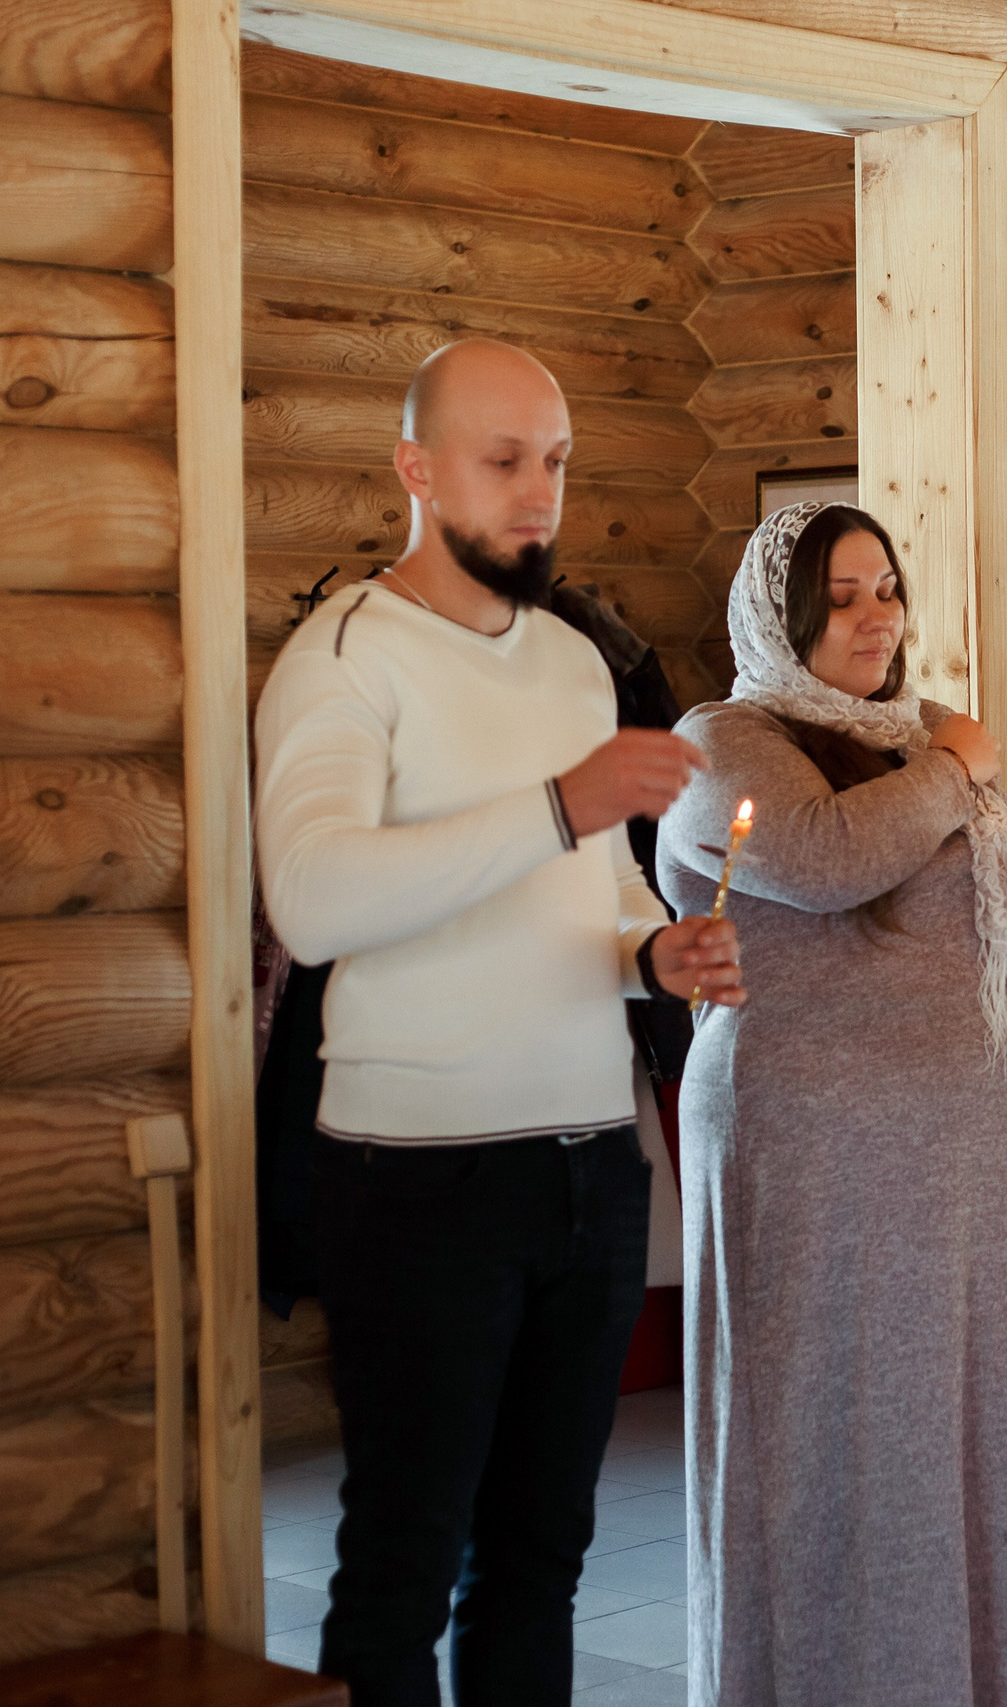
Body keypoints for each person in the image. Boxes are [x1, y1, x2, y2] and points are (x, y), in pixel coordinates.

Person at [252, 339, 745, 1707]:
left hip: (587, 1167)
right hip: (419, 1182)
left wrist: (657, 949)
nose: (541, 494)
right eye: (505, 460)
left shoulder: (576, 669)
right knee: (403, 1564)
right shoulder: (342, 655)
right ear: (416, 468)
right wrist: (558, 805)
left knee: (541, 1560)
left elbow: (582, 898)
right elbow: (315, 893)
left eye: (559, 463)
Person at [655, 502, 1007, 1707]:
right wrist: (955, 767)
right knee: (833, 1448)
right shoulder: (722, 738)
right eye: (842, 594)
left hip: (959, 1153)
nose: (877, 614)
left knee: (956, 1441)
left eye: (886, 586)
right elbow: (817, 858)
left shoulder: (913, 735)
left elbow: (939, 939)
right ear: (778, 613)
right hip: (816, 1150)